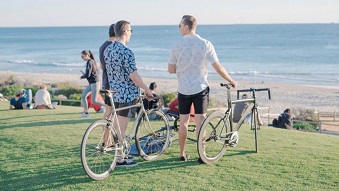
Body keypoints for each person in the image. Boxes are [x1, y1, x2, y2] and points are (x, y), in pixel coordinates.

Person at [168, 15, 238, 162]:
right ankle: (202, 154)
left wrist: (183, 68)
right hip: (200, 88)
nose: (179, 28)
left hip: (183, 89)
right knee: (201, 122)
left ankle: (182, 154)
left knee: (183, 122)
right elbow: (217, 67)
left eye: (180, 25)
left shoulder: (176, 45)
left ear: (186, 27)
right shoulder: (205, 44)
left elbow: (171, 69)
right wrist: (230, 80)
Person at [104, 20, 153, 167]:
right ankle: (121, 158)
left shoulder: (108, 50)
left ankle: (120, 153)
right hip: (126, 94)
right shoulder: (126, 52)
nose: (131, 33)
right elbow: (134, 77)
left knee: (117, 125)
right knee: (121, 128)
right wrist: (147, 89)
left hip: (114, 92)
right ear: (125, 32)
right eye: (130, 31)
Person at [80, 50, 105, 118]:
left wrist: (82, 76)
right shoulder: (90, 62)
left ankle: (109, 106)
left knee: (94, 101)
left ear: (86, 55)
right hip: (92, 83)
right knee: (83, 96)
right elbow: (90, 74)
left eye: (82, 56)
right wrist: (84, 75)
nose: (82, 58)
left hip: (95, 83)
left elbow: (88, 74)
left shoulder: (90, 62)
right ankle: (86, 113)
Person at [99, 23, 116, 120]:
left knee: (108, 111)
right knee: (111, 112)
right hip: (112, 83)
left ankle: (106, 135)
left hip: (106, 81)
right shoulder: (113, 47)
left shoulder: (103, 46)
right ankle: (106, 135)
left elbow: (102, 65)